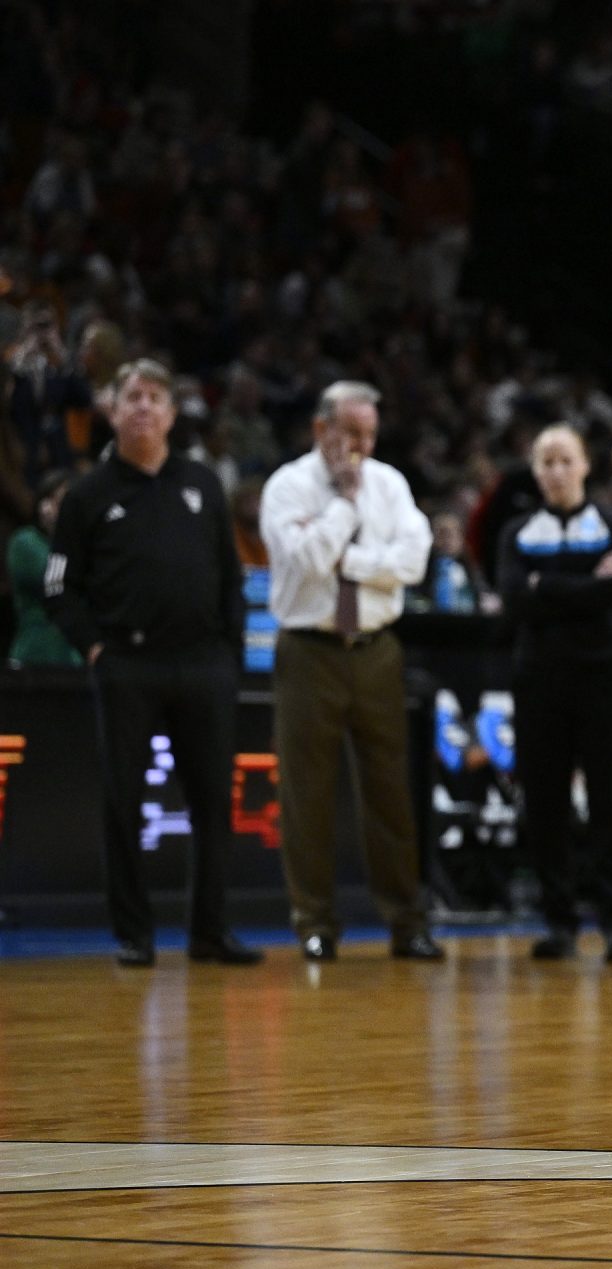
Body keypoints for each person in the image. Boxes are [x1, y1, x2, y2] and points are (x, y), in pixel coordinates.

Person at [44, 359, 263, 967]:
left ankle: (209, 932)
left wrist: (231, 653)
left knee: (214, 802)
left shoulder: (202, 483)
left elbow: (229, 576)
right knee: (124, 803)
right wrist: (95, 648)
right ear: (112, 412)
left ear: (171, 415)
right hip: (128, 667)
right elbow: (59, 586)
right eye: (131, 396)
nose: (142, 406)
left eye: (155, 397)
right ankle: (135, 935)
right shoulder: (88, 495)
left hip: (203, 667)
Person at [259, 381, 442, 962]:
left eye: (369, 433)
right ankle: (314, 922)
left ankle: (406, 923)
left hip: (377, 649)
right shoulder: (287, 487)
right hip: (309, 649)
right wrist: (341, 503)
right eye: (350, 433)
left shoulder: (391, 484)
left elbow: (414, 563)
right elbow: (310, 561)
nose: (362, 445)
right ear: (321, 429)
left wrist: (351, 560)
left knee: (390, 791)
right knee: (306, 792)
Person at [498, 424, 612, 962]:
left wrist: (546, 586)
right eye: (546, 462)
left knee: (611, 802)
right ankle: (559, 922)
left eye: (565, 460)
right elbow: (513, 599)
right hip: (538, 680)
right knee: (545, 804)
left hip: (604, 677)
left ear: (585, 465)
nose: (556, 471)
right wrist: (586, 587)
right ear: (535, 472)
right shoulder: (516, 531)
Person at [7, 471, 81, 666]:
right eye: (48, 499)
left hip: (74, 657)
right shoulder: (25, 541)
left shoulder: (82, 544)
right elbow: (55, 581)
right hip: (35, 655)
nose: (51, 508)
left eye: (60, 501)